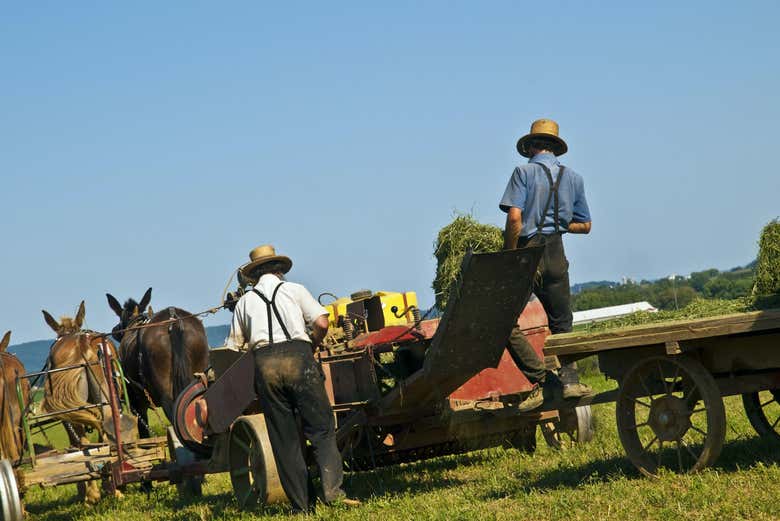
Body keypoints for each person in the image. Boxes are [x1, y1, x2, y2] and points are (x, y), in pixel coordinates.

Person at [226, 244, 359, 513]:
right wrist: (312, 344)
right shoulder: (294, 290)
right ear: (279, 270)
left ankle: (302, 506)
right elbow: (322, 322)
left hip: (265, 366)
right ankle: (332, 493)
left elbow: (235, 346)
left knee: (284, 439)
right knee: (321, 428)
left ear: (254, 275)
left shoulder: (244, 302)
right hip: (299, 360)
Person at [499, 119, 593, 411]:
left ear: (531, 147)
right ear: (554, 148)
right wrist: (560, 224)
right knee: (562, 323)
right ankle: (570, 381)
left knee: (503, 322)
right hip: (556, 252)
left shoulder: (523, 172)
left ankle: (542, 380)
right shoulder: (574, 178)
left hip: (528, 254)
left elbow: (515, 218)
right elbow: (585, 225)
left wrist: (509, 255)